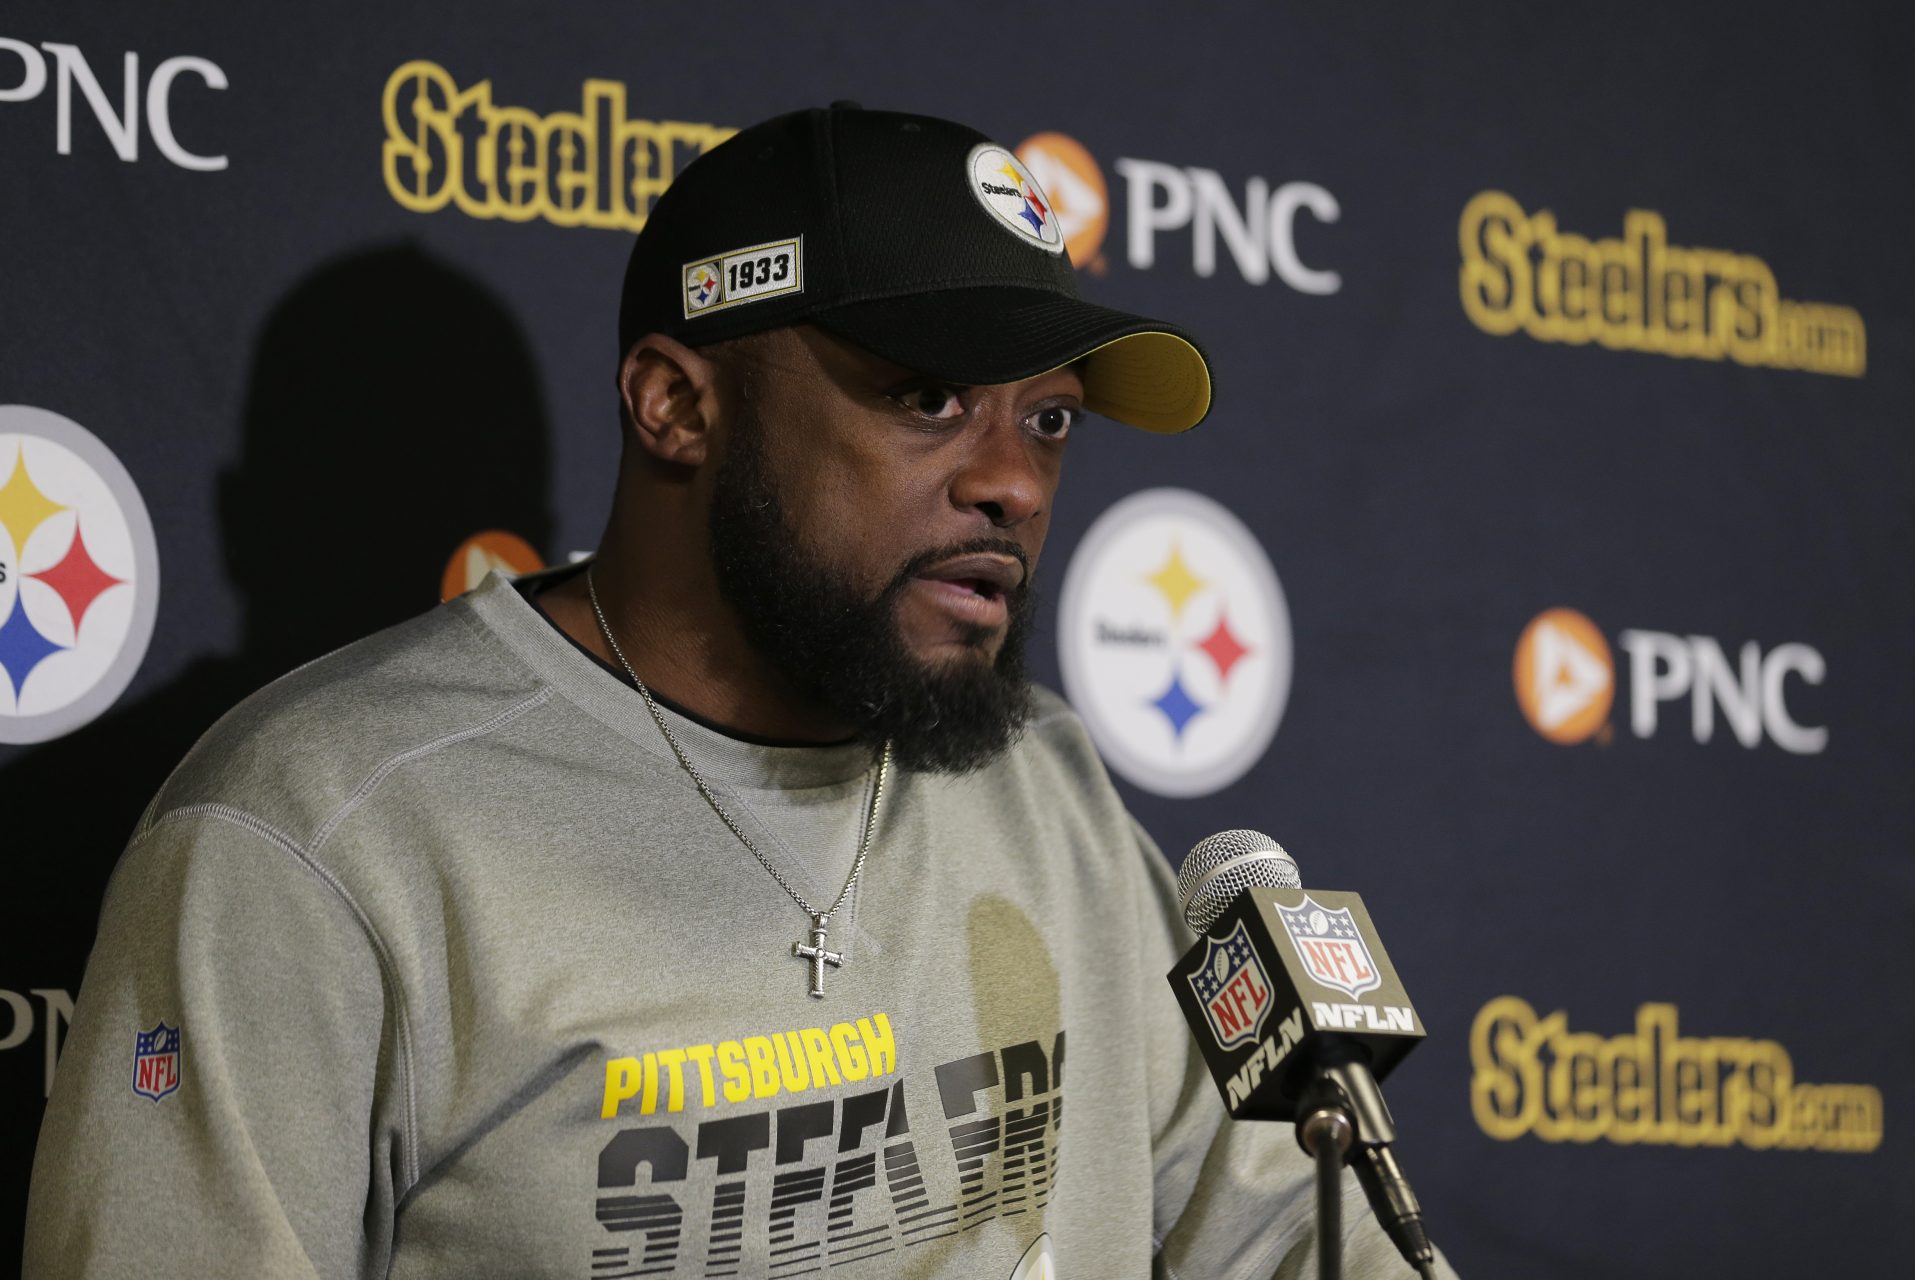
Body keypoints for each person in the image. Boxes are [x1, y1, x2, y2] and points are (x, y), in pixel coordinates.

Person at [25, 104, 1453, 1278]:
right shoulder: (321, 838)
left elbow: (1285, 1238)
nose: (1015, 481)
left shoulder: (1043, 783)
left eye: (1052, 419)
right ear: (677, 405)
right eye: (927, 398)